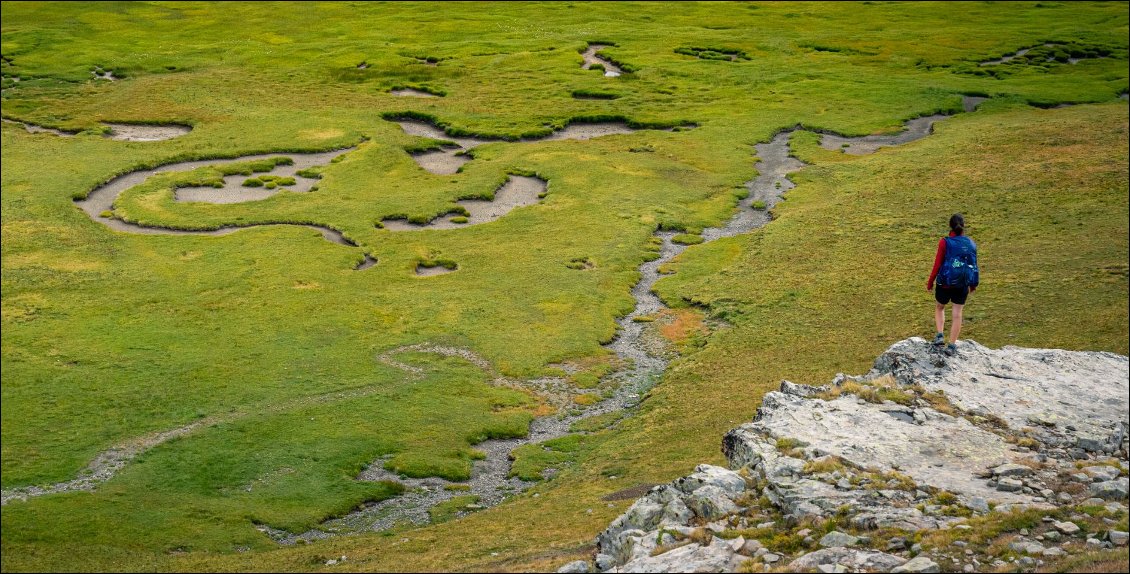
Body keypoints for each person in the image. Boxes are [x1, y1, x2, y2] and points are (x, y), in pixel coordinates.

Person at [926, 213, 979, 356]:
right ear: (963, 226)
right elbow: (973, 264)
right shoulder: (971, 243)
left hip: (945, 283)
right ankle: (952, 345)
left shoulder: (944, 242)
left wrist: (931, 281)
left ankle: (939, 335)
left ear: (950, 226)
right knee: (957, 314)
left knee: (939, 307)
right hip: (962, 284)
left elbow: (937, 264)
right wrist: (973, 283)